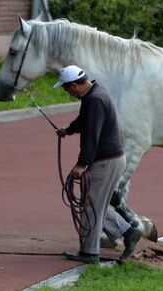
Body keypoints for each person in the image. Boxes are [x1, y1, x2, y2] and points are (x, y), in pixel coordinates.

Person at [54, 65, 141, 264]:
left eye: (67, 89)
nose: (68, 93)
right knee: (95, 204)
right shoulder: (94, 94)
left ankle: (90, 252)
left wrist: (81, 164)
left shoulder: (95, 100)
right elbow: (84, 121)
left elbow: (92, 135)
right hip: (112, 159)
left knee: (90, 206)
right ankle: (129, 232)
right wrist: (68, 130)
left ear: (74, 85)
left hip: (106, 161)